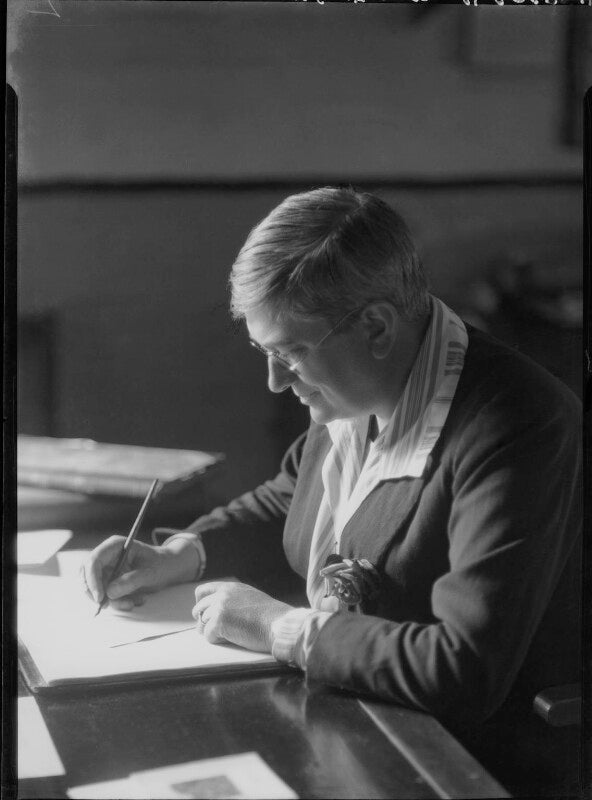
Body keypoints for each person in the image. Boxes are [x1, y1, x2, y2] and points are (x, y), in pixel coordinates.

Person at [82, 187, 581, 739]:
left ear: (376, 327)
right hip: (355, 710)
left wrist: (279, 627)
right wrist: (181, 554)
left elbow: (464, 668)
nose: (275, 382)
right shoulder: (362, 383)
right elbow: (289, 497)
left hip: (470, 751)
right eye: (266, 353)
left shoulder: (520, 425)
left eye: (290, 353)